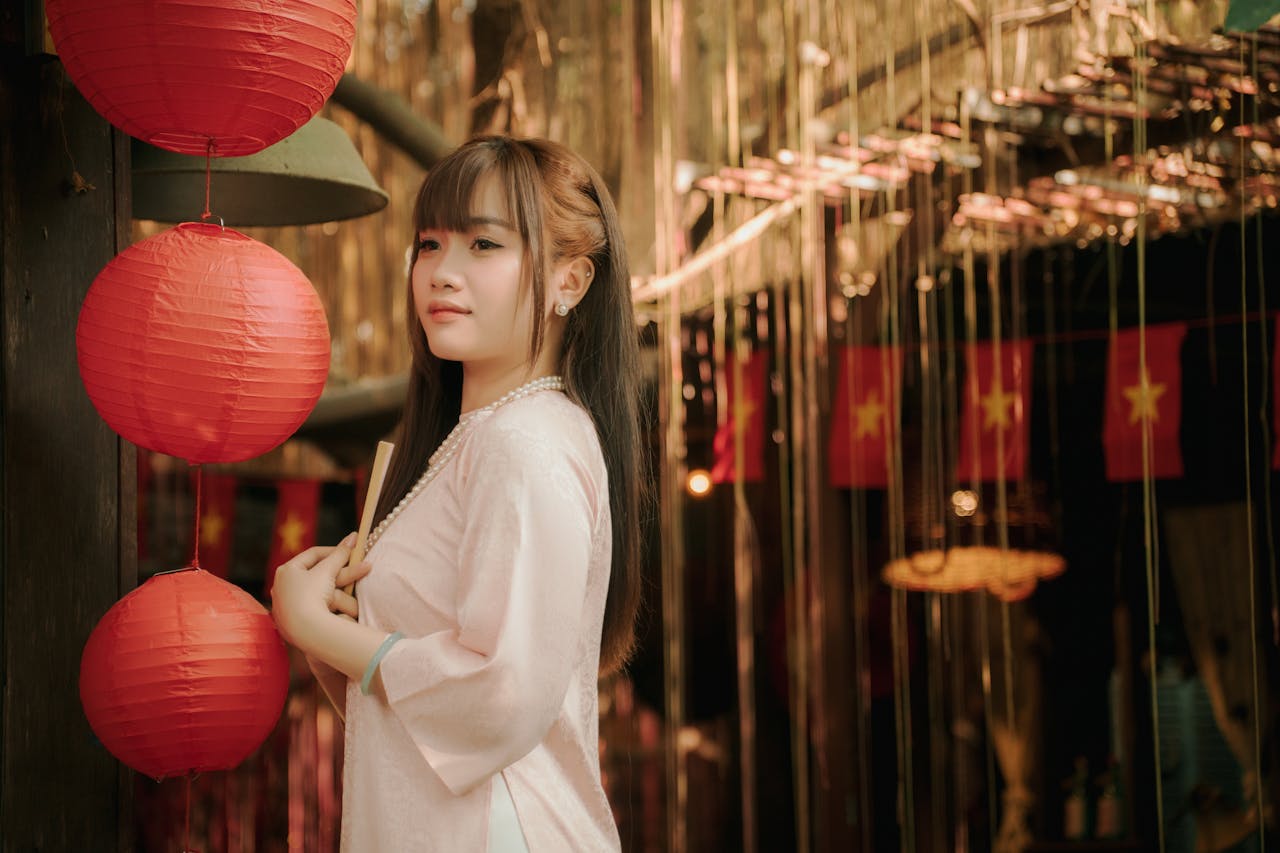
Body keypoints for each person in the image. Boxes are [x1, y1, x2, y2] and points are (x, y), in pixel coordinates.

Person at [270, 135, 645, 852]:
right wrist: (335, 630)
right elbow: (426, 715)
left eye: (483, 245)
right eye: (431, 243)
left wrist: (310, 624)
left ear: (571, 282)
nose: (442, 272)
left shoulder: (524, 442)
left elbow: (499, 694)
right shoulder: (484, 437)